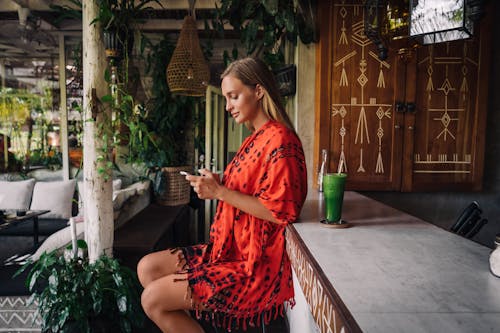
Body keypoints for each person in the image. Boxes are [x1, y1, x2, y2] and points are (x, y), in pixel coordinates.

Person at [137, 57, 308, 332]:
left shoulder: (281, 140)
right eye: (227, 98)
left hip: (254, 262)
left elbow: (281, 211)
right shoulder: (255, 137)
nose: (228, 106)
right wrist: (218, 182)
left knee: (153, 300)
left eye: (233, 96)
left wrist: (220, 191)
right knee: (147, 267)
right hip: (228, 248)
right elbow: (248, 188)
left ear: (259, 91)